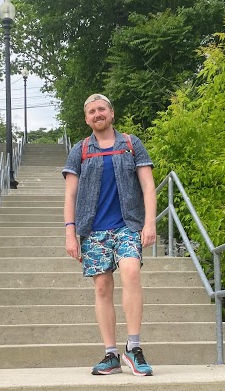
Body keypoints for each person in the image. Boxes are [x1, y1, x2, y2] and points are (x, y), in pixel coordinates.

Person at [62, 93, 157, 376]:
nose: (97, 114)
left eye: (101, 109)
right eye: (91, 111)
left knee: (131, 272)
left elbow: (148, 186)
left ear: (112, 113)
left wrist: (149, 223)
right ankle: (111, 354)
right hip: (93, 229)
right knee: (102, 288)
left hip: (128, 225)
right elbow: (70, 195)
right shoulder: (79, 151)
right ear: (86, 118)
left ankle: (134, 348)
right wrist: (70, 233)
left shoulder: (131, 144)